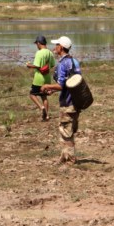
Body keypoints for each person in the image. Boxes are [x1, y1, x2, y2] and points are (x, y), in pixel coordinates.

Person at [40, 35, 80, 164]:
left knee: (65, 129)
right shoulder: (74, 62)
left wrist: (47, 86)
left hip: (67, 103)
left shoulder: (63, 64)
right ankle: (64, 155)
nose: (55, 47)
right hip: (76, 101)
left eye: (56, 45)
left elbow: (62, 85)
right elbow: (72, 83)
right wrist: (54, 89)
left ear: (61, 47)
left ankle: (71, 159)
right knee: (68, 129)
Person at [26, 35, 55, 121]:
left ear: (39, 43)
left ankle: (41, 107)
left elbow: (37, 66)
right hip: (47, 79)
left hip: (38, 79)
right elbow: (52, 65)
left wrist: (29, 65)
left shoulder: (39, 53)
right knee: (44, 96)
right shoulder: (50, 52)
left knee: (32, 94)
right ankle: (47, 116)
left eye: (36, 44)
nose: (36, 46)